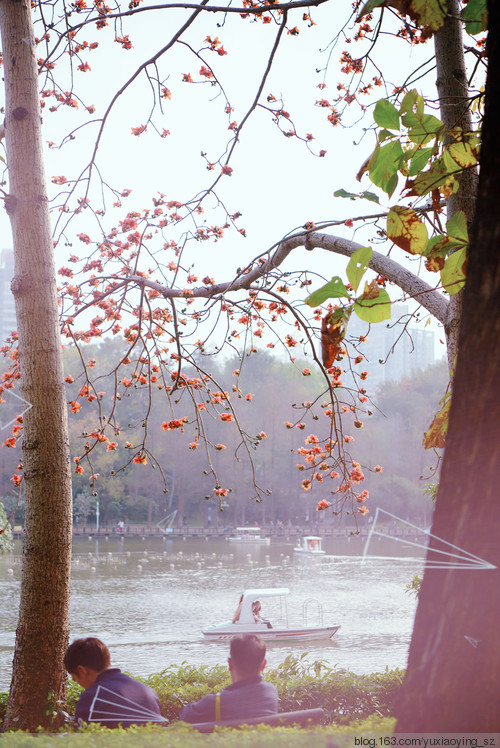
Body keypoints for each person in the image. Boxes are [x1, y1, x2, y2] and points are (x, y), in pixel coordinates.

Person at [64, 637, 164, 728]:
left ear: (82, 671)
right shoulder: (149, 692)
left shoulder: (92, 697)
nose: (79, 684)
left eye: (74, 679)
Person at [179, 634, 278, 723]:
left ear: (229, 663)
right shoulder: (271, 691)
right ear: (264, 664)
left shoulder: (215, 703)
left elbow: (184, 717)